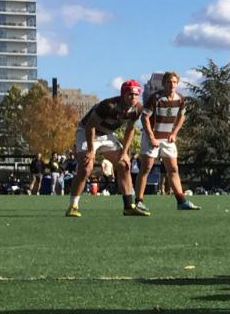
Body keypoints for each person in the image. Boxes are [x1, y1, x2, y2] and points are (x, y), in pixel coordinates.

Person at [67, 81, 149, 217]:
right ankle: (73, 206)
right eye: (130, 94)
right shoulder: (109, 105)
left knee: (124, 164)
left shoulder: (137, 109)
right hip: (87, 132)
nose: (133, 98)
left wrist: (124, 153)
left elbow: (130, 129)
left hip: (106, 134)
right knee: (86, 167)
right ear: (123, 94)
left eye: (136, 95)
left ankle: (128, 206)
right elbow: (90, 126)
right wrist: (91, 151)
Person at [134, 72, 198, 211]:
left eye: (175, 82)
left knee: (173, 169)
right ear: (163, 84)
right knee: (146, 168)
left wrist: (174, 133)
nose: (172, 85)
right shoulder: (155, 98)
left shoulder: (180, 99)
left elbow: (182, 116)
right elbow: (144, 118)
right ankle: (138, 201)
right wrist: (151, 137)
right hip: (152, 136)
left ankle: (181, 202)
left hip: (167, 138)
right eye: (169, 82)